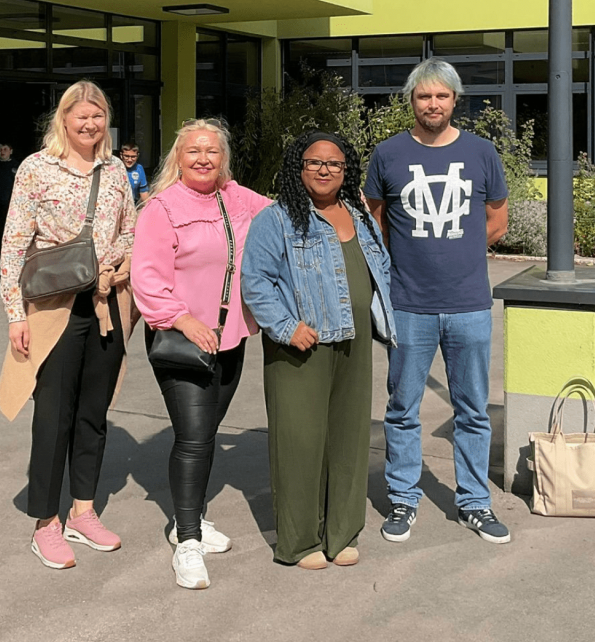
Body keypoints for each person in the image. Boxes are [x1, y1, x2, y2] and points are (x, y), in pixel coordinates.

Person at [365, 59, 511, 547]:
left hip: (469, 303)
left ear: (455, 100)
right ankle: (403, 497)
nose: (433, 105)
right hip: (408, 304)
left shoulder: (481, 152)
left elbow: (497, 221)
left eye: (442, 97)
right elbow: (376, 224)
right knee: (402, 408)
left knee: (472, 409)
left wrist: (459, 256)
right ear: (412, 101)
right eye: (424, 96)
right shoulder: (387, 154)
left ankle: (473, 503)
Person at [0, 81, 137, 570]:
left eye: (97, 117)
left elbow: (131, 230)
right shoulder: (37, 169)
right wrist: (15, 314)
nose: (90, 125)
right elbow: (14, 243)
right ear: (63, 120)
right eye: (81, 117)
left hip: (105, 305)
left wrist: (112, 261)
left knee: (93, 413)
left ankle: (82, 510)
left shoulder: (116, 170)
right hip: (52, 307)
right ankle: (45, 524)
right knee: (53, 415)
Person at [242, 131, 396, 570]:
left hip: (355, 340)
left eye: (335, 163)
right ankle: (300, 540)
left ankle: (342, 531)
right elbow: (256, 281)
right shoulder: (277, 219)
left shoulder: (359, 214)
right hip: (301, 346)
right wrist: (286, 328)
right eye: (315, 162)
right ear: (298, 167)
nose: (325, 170)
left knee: (349, 438)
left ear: (346, 171)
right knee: (300, 442)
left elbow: (379, 267)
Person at [131, 119, 269, 590]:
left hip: (231, 337)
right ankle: (187, 541)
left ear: (223, 157)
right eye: (194, 151)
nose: (203, 159)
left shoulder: (237, 198)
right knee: (192, 437)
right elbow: (147, 278)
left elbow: (282, 215)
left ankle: (189, 518)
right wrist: (185, 319)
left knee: (206, 434)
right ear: (178, 157)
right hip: (183, 340)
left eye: (212, 151)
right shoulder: (161, 208)